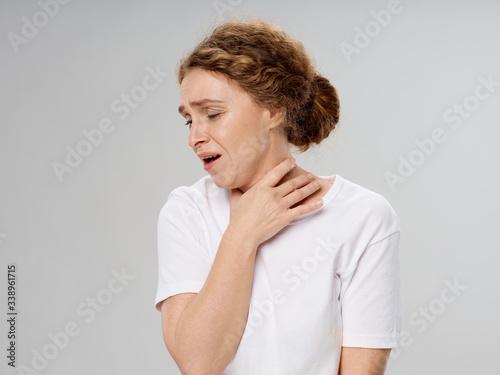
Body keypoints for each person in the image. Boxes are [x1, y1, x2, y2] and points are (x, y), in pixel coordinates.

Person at [154, 18, 402, 375]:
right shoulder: (186, 212)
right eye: (189, 119)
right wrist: (243, 233)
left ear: (274, 110)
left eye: (212, 113)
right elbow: (198, 364)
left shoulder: (364, 217)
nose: (195, 136)